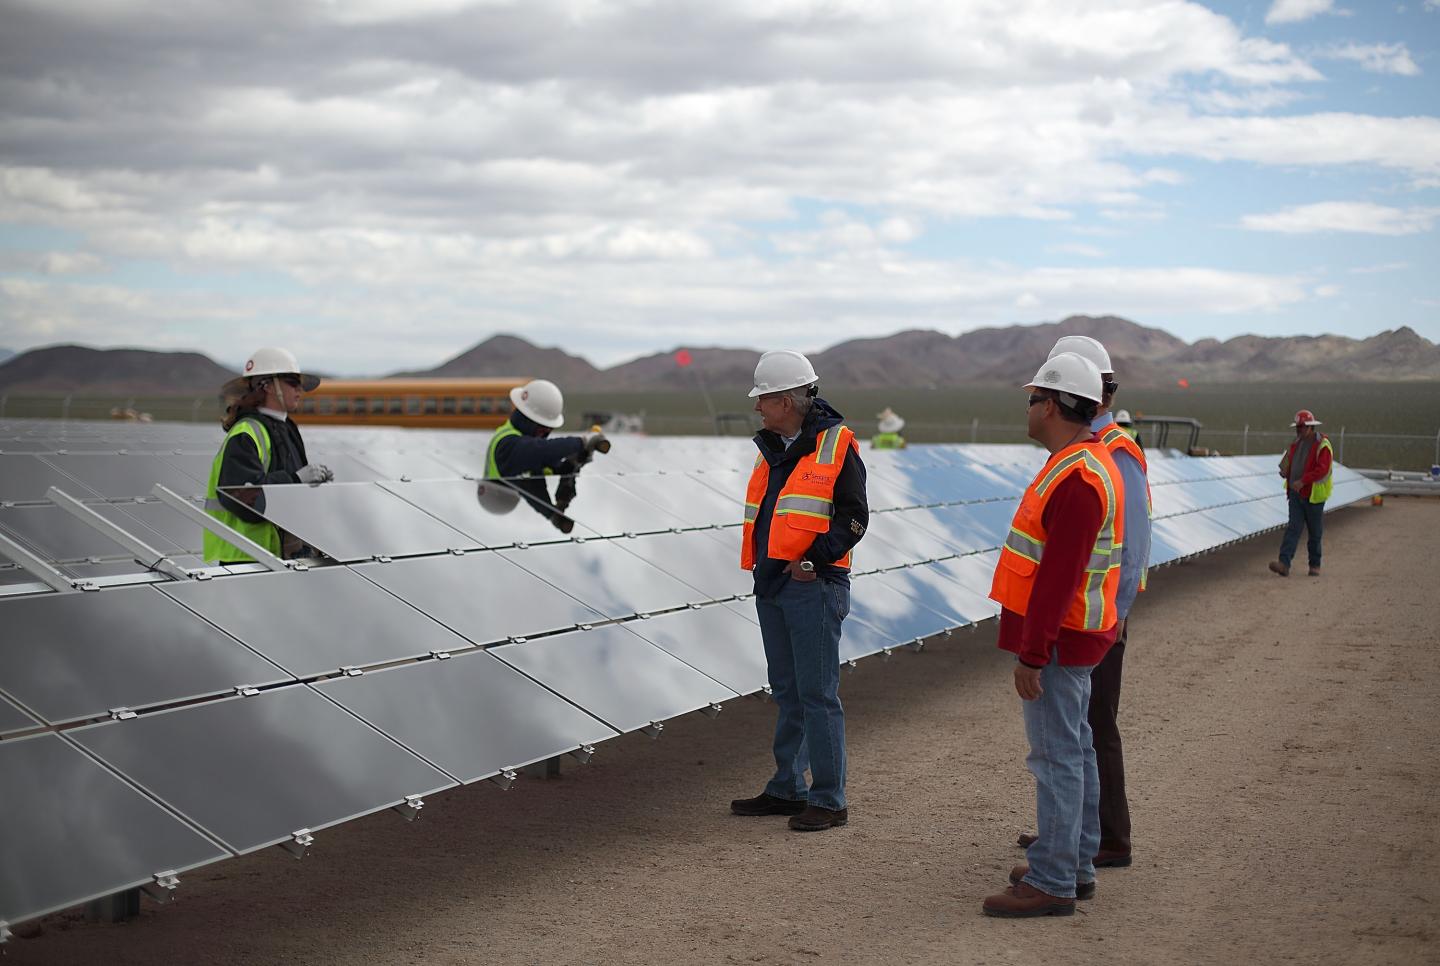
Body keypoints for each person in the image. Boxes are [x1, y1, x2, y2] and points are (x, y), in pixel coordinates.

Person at [983, 351, 1125, 918]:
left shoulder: (1078, 478)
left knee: (1057, 757)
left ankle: (1053, 881)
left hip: (1061, 642)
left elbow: (1057, 580)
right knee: (1076, 750)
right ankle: (1074, 861)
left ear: (1056, 406)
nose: (1028, 408)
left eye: (1034, 398)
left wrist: (1032, 655)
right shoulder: (1079, 464)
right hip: (1075, 637)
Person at [1011, 336, 1152, 871]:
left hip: (1092, 621)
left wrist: (1113, 619)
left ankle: (1096, 845)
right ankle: (1074, 843)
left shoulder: (1107, 457)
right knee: (1080, 736)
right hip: (1092, 618)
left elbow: (1127, 547)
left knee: (1079, 739)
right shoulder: (1088, 453)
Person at [730, 350, 868, 833]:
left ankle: (830, 800)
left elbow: (854, 518)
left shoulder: (836, 446)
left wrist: (814, 560)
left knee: (817, 694)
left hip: (813, 586)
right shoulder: (773, 447)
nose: (757, 409)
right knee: (788, 692)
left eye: (763, 399)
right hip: (772, 586)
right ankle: (788, 787)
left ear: (787, 400)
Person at [204, 346, 331, 563]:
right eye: (292, 382)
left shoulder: (286, 428)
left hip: (279, 557)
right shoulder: (246, 433)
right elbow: (242, 498)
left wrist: (311, 485)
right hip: (247, 559)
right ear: (269, 386)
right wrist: (296, 479)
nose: (299, 389)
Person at [484, 378, 608, 533]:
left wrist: (571, 464)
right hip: (497, 509)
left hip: (512, 507)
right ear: (529, 420)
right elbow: (540, 452)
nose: (544, 435)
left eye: (548, 431)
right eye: (543, 430)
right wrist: (582, 442)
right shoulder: (508, 444)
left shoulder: (523, 444)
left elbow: (546, 465)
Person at [1269, 409, 1333, 577]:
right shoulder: (1296, 443)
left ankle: (1314, 565)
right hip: (1296, 495)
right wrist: (1285, 472)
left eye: (1302, 427)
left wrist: (1303, 480)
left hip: (1313, 496)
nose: (1299, 430)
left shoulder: (1323, 445)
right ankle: (1284, 564)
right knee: (1293, 528)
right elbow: (1287, 463)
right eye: (1297, 427)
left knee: (1315, 532)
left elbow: (1322, 470)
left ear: (1310, 427)